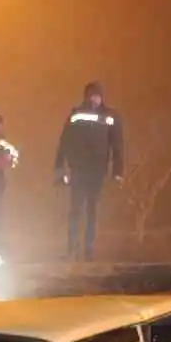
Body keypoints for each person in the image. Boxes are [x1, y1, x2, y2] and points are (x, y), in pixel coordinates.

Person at [53, 80, 125, 261]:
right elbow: (64, 142)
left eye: (97, 95)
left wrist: (118, 171)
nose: (94, 99)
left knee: (92, 210)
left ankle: (89, 250)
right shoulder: (76, 115)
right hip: (79, 169)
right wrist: (60, 167)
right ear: (86, 96)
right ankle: (72, 249)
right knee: (75, 210)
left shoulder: (110, 117)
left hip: (97, 170)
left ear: (101, 97)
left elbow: (117, 145)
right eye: (91, 95)